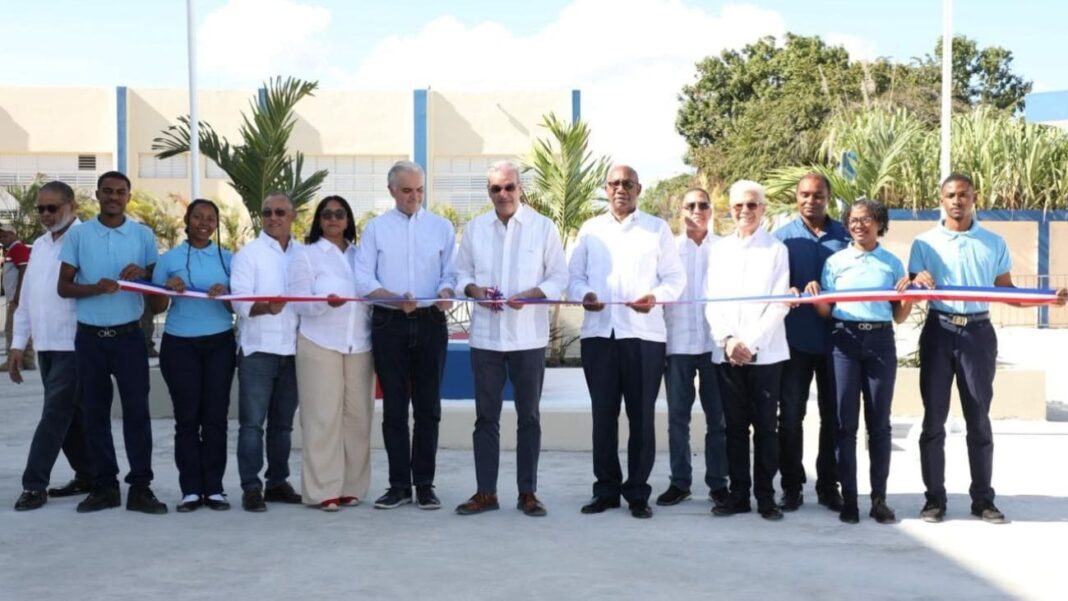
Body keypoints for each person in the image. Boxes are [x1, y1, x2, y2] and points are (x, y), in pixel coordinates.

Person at [909, 173, 1068, 524]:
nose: (956, 201)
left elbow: (1007, 292)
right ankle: (934, 499)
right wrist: (917, 281)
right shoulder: (924, 243)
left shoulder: (993, 242)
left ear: (973, 198)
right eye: (950, 195)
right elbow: (912, 292)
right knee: (933, 421)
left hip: (977, 335)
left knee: (978, 420)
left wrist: (1046, 300)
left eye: (963, 195)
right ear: (941, 198)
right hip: (938, 331)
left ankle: (983, 500)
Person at [568, 164, 685, 519]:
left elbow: (675, 279)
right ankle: (605, 491)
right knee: (603, 417)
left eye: (628, 183)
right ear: (605, 189)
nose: (621, 189)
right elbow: (573, 278)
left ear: (639, 188)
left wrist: (654, 296)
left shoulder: (656, 228)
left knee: (641, 418)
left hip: (643, 336)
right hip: (600, 335)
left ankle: (637, 493)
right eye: (615, 183)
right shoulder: (590, 230)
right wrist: (585, 294)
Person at [453, 161, 567, 517]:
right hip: (486, 338)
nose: (502, 195)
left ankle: (527, 492)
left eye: (509, 188)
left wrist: (532, 294)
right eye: (495, 189)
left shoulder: (542, 227)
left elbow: (559, 277)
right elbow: (461, 276)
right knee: (485, 418)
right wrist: (475, 290)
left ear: (521, 189)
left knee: (528, 417)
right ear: (489, 192)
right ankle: (485, 492)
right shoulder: (474, 229)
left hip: (527, 338)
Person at [57, 171, 166, 514]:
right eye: (108, 191)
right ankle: (105, 487)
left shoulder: (143, 235)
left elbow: (158, 297)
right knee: (95, 415)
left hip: (129, 337)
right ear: (98, 195)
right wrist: (95, 288)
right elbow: (63, 287)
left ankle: (140, 488)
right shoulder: (79, 236)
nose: (114, 197)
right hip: (89, 339)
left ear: (128, 197)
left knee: (137, 414)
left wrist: (145, 276)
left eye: (120, 192)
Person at [355, 161, 456, 511]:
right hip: (389, 324)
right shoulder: (375, 230)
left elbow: (451, 273)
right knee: (395, 409)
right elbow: (363, 278)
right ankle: (398, 484)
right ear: (391, 191)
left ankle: (425, 484)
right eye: (406, 190)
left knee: (428, 408)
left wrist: (445, 290)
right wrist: (393, 298)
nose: (414, 197)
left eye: (419, 190)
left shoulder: (441, 228)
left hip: (430, 322)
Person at [808, 199, 912, 524]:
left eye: (866, 219)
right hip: (844, 342)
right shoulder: (835, 262)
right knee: (844, 425)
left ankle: (879, 499)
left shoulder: (892, 263)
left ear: (879, 224)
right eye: (853, 220)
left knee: (879, 426)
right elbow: (828, 311)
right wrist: (816, 299)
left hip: (880, 342)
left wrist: (908, 298)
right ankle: (850, 499)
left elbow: (899, 315)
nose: (859, 225)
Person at [706, 180, 790, 521]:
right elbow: (709, 301)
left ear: (763, 209)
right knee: (734, 428)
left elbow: (779, 302)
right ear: (730, 210)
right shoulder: (719, 249)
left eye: (752, 205)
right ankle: (738, 495)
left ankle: (766, 497)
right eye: (739, 205)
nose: (745, 211)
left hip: (765, 354)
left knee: (766, 429)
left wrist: (750, 344)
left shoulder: (776, 250)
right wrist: (727, 340)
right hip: (726, 354)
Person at [10, 181, 93, 510]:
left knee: (54, 414)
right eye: (41, 208)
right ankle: (87, 474)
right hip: (46, 344)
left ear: (71, 206)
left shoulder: (88, 240)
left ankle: (34, 484)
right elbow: (27, 301)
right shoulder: (40, 246)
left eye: (52, 208)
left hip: (75, 343)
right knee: (70, 415)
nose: (45, 214)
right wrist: (19, 345)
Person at [149, 199, 236, 512]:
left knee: (215, 419)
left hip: (219, 344)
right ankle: (190, 490)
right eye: (197, 216)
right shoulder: (169, 258)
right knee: (187, 419)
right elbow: (155, 307)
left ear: (216, 223)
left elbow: (236, 306)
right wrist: (169, 289)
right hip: (180, 344)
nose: (203, 222)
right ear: (186, 220)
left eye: (210, 218)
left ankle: (214, 488)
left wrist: (224, 294)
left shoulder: (228, 259)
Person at [290, 196, 375, 511]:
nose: (334, 219)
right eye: (327, 214)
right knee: (322, 418)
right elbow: (297, 302)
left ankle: (352, 486)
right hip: (319, 342)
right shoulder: (307, 256)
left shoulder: (361, 256)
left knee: (358, 418)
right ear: (319, 220)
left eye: (340, 214)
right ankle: (323, 490)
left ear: (349, 219)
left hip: (361, 345)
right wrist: (325, 301)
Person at [772, 173, 849, 512]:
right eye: (804, 194)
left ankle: (828, 485)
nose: (810, 201)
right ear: (796, 198)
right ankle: (791, 485)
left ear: (828, 197)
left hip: (838, 342)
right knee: (790, 417)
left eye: (818, 195)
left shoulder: (846, 237)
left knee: (833, 418)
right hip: (794, 343)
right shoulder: (780, 240)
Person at [229, 192, 304, 512]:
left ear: (293, 216)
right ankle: (250, 486)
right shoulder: (249, 254)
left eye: (280, 212)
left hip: (295, 351)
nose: (273, 217)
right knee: (252, 425)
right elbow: (239, 304)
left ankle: (277, 482)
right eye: (268, 212)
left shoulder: (305, 254)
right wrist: (268, 307)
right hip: (258, 349)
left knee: (283, 425)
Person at [656, 188, 729, 510]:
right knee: (677, 420)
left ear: (711, 210)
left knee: (719, 420)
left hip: (715, 346)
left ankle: (718, 484)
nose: (696, 210)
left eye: (702, 205)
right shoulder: (667, 250)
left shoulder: (726, 250)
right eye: (690, 206)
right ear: (679, 211)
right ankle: (679, 482)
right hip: (678, 345)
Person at [2, 223, 36, 371]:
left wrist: (18, 294)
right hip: (19, 297)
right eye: (1, 236)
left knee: (12, 328)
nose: (2, 238)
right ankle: (28, 360)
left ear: (13, 234)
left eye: (5, 235)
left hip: (18, 298)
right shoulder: (13, 249)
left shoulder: (17, 248)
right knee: (23, 328)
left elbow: (24, 269)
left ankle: (13, 361)